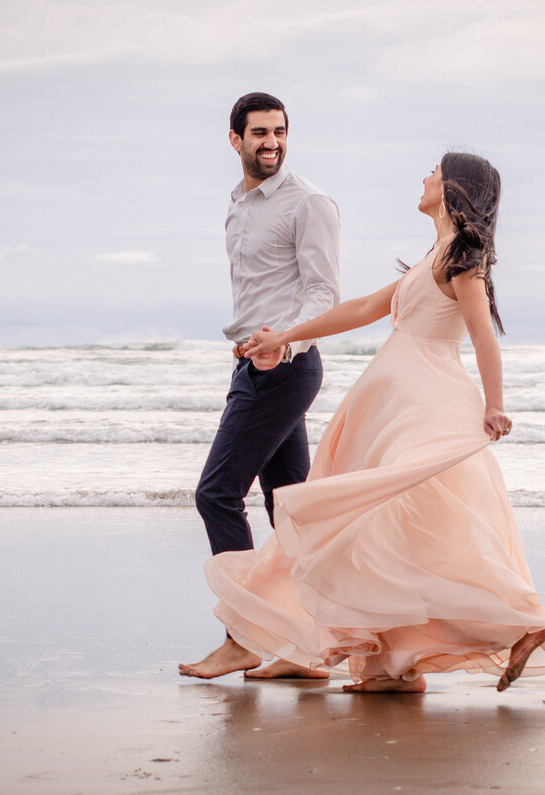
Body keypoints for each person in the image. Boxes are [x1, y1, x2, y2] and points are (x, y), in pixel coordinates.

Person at [181, 152, 545, 692]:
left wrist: (494, 403)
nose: (424, 178)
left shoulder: (464, 260)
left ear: (452, 189)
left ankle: (525, 622)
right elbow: (360, 308)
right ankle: (395, 665)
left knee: (403, 523)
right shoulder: (434, 255)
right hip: (391, 403)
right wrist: (283, 336)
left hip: (422, 404)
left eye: (434, 172)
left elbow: (483, 335)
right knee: (386, 531)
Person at [185, 92, 340, 680]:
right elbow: (257, 290)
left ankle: (242, 637)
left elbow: (323, 292)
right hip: (254, 363)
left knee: (216, 495)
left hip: (287, 368)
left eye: (279, 132)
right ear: (235, 140)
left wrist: (287, 341)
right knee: (288, 511)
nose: (271, 142)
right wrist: (252, 339)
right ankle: (309, 647)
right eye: (259, 133)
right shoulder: (238, 202)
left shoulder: (309, 203)